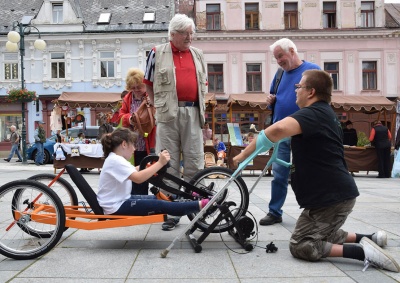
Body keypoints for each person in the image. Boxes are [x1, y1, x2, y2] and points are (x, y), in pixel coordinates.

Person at [233, 70, 399, 273]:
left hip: (331, 199)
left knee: (301, 244)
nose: (296, 91)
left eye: (299, 87)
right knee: (322, 232)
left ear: (311, 92)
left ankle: (363, 253)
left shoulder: (312, 114)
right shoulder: (324, 113)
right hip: (332, 196)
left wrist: (242, 156)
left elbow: (275, 131)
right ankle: (369, 237)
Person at [144, 14, 207, 230]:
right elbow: (148, 83)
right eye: (185, 33)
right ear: (173, 34)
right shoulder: (156, 52)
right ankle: (171, 211)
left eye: (191, 33)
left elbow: (203, 84)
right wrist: (155, 106)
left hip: (193, 112)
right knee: (168, 163)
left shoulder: (198, 54)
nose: (190, 37)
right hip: (167, 114)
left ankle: (194, 207)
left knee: (195, 161)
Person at [261, 38, 320, 226]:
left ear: (292, 51)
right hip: (282, 131)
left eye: (280, 56)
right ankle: (274, 212)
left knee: (308, 172)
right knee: (279, 173)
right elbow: (274, 96)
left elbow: (321, 100)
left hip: (304, 130)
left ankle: (314, 211)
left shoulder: (312, 71)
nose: (278, 61)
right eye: (276, 58)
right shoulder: (279, 74)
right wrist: (270, 100)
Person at [97, 128, 209, 216]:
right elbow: (138, 178)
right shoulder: (115, 160)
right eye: (133, 144)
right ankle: (202, 204)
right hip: (116, 206)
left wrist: (151, 166)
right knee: (159, 204)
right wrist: (160, 163)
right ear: (124, 144)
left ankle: (192, 197)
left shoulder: (115, 159)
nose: (134, 149)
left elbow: (135, 169)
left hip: (120, 201)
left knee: (160, 197)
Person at [118, 68, 156, 195]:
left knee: (154, 175)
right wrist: (129, 119)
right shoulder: (128, 98)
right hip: (134, 146)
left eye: (139, 87)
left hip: (150, 143)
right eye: (132, 87)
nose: (136, 90)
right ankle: (139, 203)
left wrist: (154, 104)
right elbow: (121, 116)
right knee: (137, 178)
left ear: (145, 85)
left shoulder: (151, 96)